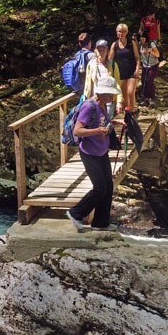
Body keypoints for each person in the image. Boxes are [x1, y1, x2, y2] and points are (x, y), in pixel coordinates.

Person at [66, 76, 122, 233]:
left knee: (108, 186)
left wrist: (115, 123)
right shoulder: (89, 106)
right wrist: (96, 131)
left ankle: (101, 222)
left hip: (101, 151)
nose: (112, 97)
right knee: (99, 188)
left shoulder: (102, 105)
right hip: (89, 152)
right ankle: (75, 213)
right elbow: (78, 130)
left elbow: (102, 122)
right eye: (110, 94)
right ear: (101, 92)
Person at [110, 23, 140, 113]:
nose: (121, 34)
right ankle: (127, 115)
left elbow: (137, 57)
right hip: (120, 73)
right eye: (119, 31)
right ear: (116, 32)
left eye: (123, 31)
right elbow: (109, 60)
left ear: (126, 32)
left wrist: (137, 69)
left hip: (131, 71)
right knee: (123, 96)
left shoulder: (131, 43)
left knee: (130, 92)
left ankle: (132, 112)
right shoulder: (114, 45)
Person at [138, 37, 160, 106]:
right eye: (141, 39)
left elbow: (158, 54)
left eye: (143, 39)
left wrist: (151, 51)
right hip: (145, 65)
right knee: (143, 81)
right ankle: (145, 98)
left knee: (149, 81)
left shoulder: (151, 44)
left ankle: (152, 98)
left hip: (153, 65)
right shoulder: (140, 44)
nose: (142, 40)